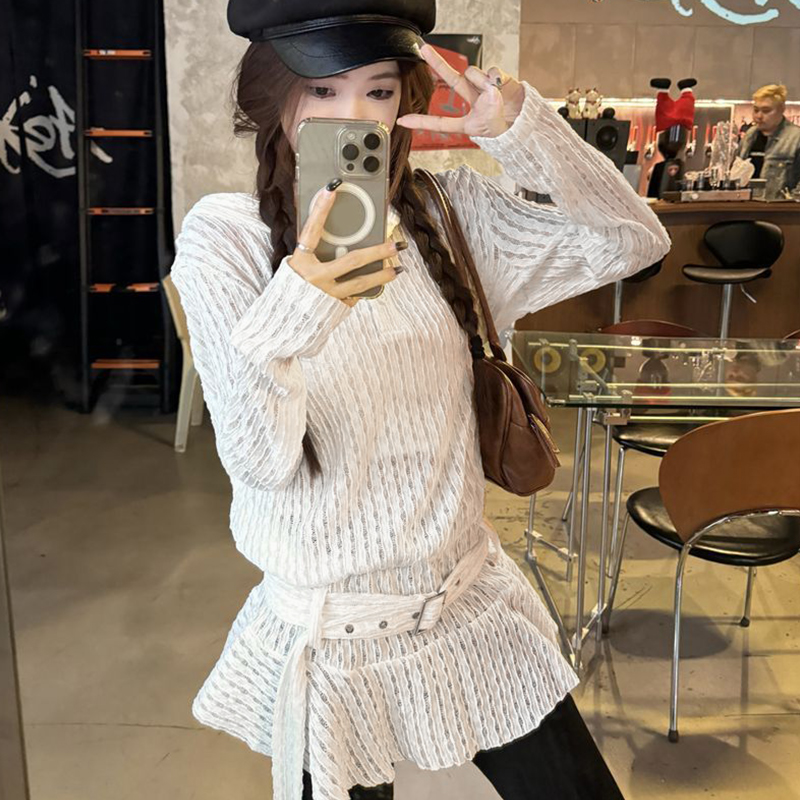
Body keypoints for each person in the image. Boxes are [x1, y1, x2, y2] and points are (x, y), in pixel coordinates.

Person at [170, 2, 670, 799]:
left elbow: (632, 242)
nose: (354, 116)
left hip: (473, 610)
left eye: (377, 90)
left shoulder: (448, 212)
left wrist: (521, 132)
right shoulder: (224, 238)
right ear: (274, 97)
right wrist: (301, 301)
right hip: (334, 648)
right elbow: (260, 461)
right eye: (323, 90)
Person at [737, 84, 800, 199]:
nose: (759, 116)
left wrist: (791, 203)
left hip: (779, 207)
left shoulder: (796, 139)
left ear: (781, 110)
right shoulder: (749, 136)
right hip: (746, 205)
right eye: (756, 110)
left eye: (766, 111)